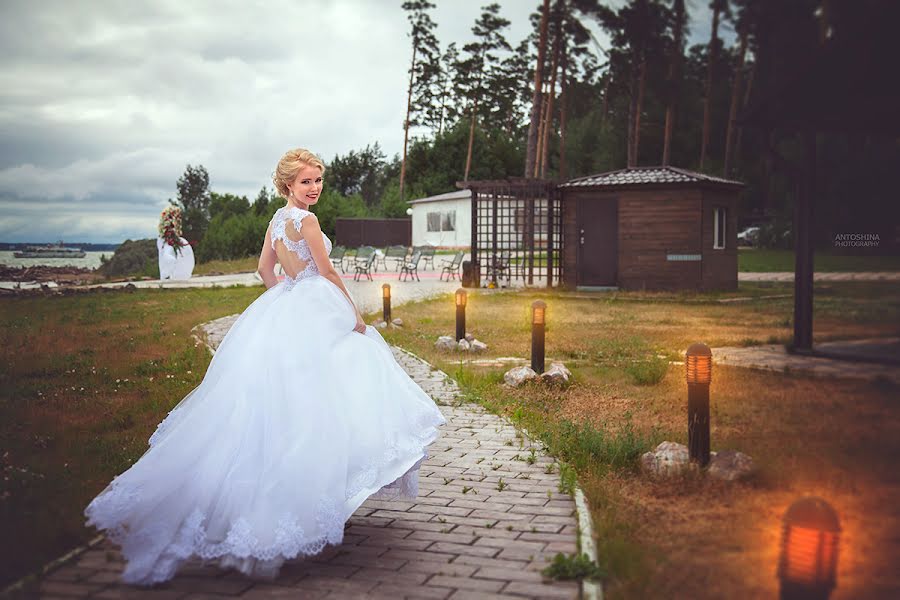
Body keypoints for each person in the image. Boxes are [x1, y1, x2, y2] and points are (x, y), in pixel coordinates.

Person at [84, 148, 447, 585]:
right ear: (288, 185)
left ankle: (286, 496)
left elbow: (264, 268)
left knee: (280, 400)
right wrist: (353, 314)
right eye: (306, 182)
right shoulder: (307, 222)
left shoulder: (277, 221)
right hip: (316, 303)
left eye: (318, 181)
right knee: (332, 390)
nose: (314, 188)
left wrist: (285, 297)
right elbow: (329, 272)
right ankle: (314, 492)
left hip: (288, 303)